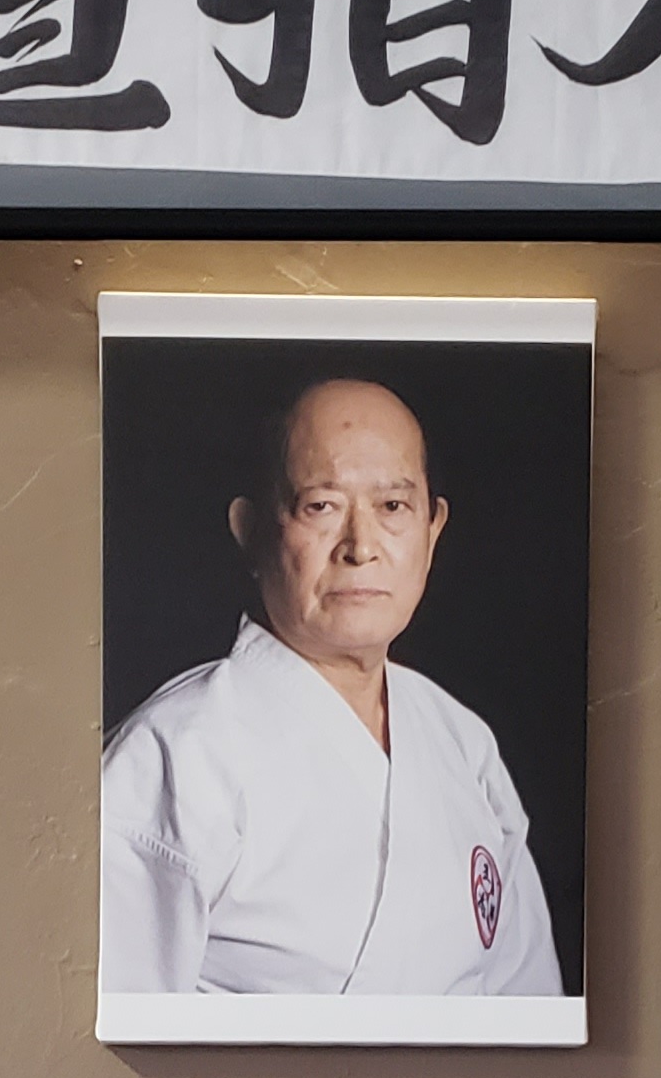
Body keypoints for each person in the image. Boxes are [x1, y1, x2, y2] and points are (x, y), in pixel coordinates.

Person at [98, 376, 564, 1000]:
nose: (361, 547)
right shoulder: (175, 755)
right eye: (321, 506)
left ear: (432, 530)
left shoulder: (462, 742)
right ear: (251, 530)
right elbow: (110, 1035)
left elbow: (528, 1005)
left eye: (393, 507)